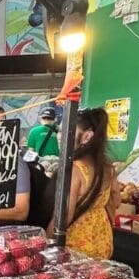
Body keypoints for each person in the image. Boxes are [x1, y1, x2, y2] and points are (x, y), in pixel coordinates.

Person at [47, 107, 118, 259]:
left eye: (66, 131)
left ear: (87, 136)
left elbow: (64, 217)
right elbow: (115, 201)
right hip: (102, 240)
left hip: (77, 245)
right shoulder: (108, 168)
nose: (59, 136)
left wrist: (46, 241)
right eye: (59, 131)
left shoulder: (75, 170)